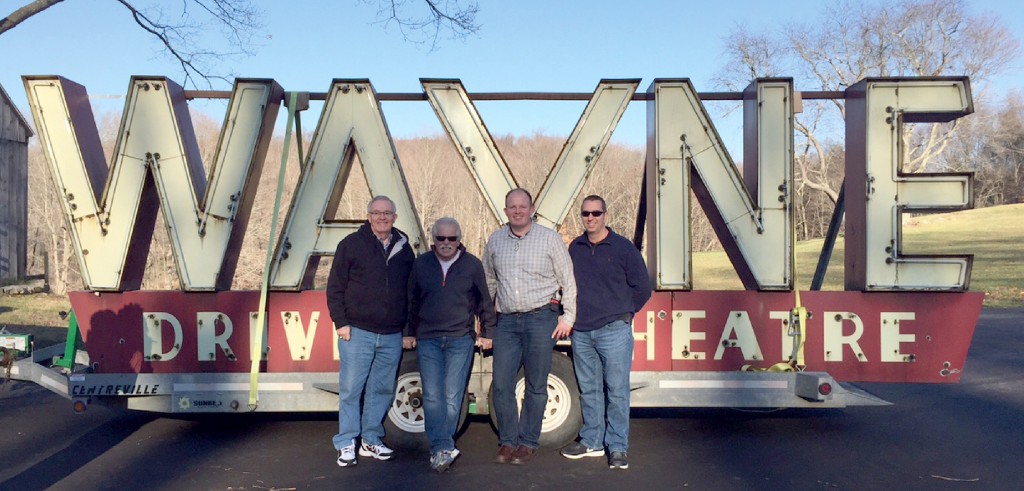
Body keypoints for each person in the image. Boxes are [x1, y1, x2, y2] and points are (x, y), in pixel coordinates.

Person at [483, 188, 577, 465]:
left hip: (541, 318)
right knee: (502, 384)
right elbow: (489, 282)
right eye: (512, 207)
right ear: (505, 212)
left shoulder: (549, 239)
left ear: (532, 209)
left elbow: (568, 280)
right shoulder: (495, 240)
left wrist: (568, 317)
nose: (517, 211)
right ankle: (508, 441)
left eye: (522, 206)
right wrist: (487, 322)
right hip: (507, 321)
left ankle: (528, 442)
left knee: (536, 384)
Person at [561, 195, 651, 470]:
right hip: (582, 332)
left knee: (617, 391)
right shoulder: (574, 248)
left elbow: (643, 288)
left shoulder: (623, 248)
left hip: (614, 330)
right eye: (586, 213)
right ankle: (592, 442)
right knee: (589, 391)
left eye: (596, 213)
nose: (590, 218)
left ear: (605, 215)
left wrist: (623, 314)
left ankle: (618, 447)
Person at [327, 195, 415, 467]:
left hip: (391, 334)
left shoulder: (404, 248)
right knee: (351, 390)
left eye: (387, 213)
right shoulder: (351, 245)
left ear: (394, 217)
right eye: (376, 213)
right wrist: (341, 323)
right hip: (357, 332)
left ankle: (371, 440)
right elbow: (335, 287)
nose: (382, 217)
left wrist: (408, 330)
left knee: (382, 390)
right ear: (368, 217)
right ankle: (346, 443)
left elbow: (411, 293)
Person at [404, 217, 497, 473]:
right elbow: (411, 301)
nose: (446, 243)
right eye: (441, 238)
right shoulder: (421, 264)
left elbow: (483, 302)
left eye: (451, 239)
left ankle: (441, 447)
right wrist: (408, 332)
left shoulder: (472, 265)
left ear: (459, 239)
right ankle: (442, 447)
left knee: (453, 395)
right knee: (433, 396)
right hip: (428, 340)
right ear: (433, 240)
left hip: (460, 339)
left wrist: (488, 331)